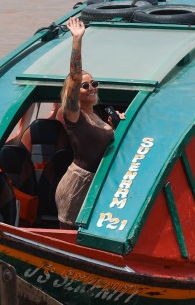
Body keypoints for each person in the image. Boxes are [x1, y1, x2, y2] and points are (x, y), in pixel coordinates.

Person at [55, 16, 115, 229]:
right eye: (84, 85)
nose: (91, 87)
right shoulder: (74, 116)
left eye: (94, 84)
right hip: (77, 184)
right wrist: (77, 40)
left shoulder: (98, 115)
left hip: (96, 183)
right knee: (71, 238)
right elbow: (73, 76)